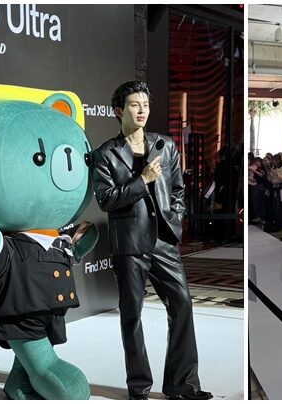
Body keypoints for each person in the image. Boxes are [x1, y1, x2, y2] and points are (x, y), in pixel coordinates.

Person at [91, 81, 212, 400]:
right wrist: (141, 181)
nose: (142, 110)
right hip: (129, 243)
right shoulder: (104, 153)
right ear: (118, 111)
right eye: (134, 105)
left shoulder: (165, 145)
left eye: (145, 104)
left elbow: (178, 189)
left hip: (164, 240)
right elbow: (106, 200)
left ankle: (182, 385)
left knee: (182, 303)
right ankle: (139, 387)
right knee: (132, 316)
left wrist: (176, 218)